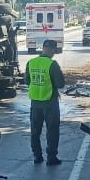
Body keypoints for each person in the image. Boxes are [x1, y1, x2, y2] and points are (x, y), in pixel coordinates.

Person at [26, 37, 65, 165]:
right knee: (52, 130)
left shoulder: (31, 63)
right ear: (53, 50)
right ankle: (51, 157)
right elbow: (60, 84)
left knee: (35, 131)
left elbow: (27, 81)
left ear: (43, 48)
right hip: (50, 102)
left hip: (35, 103)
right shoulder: (52, 65)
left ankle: (37, 156)